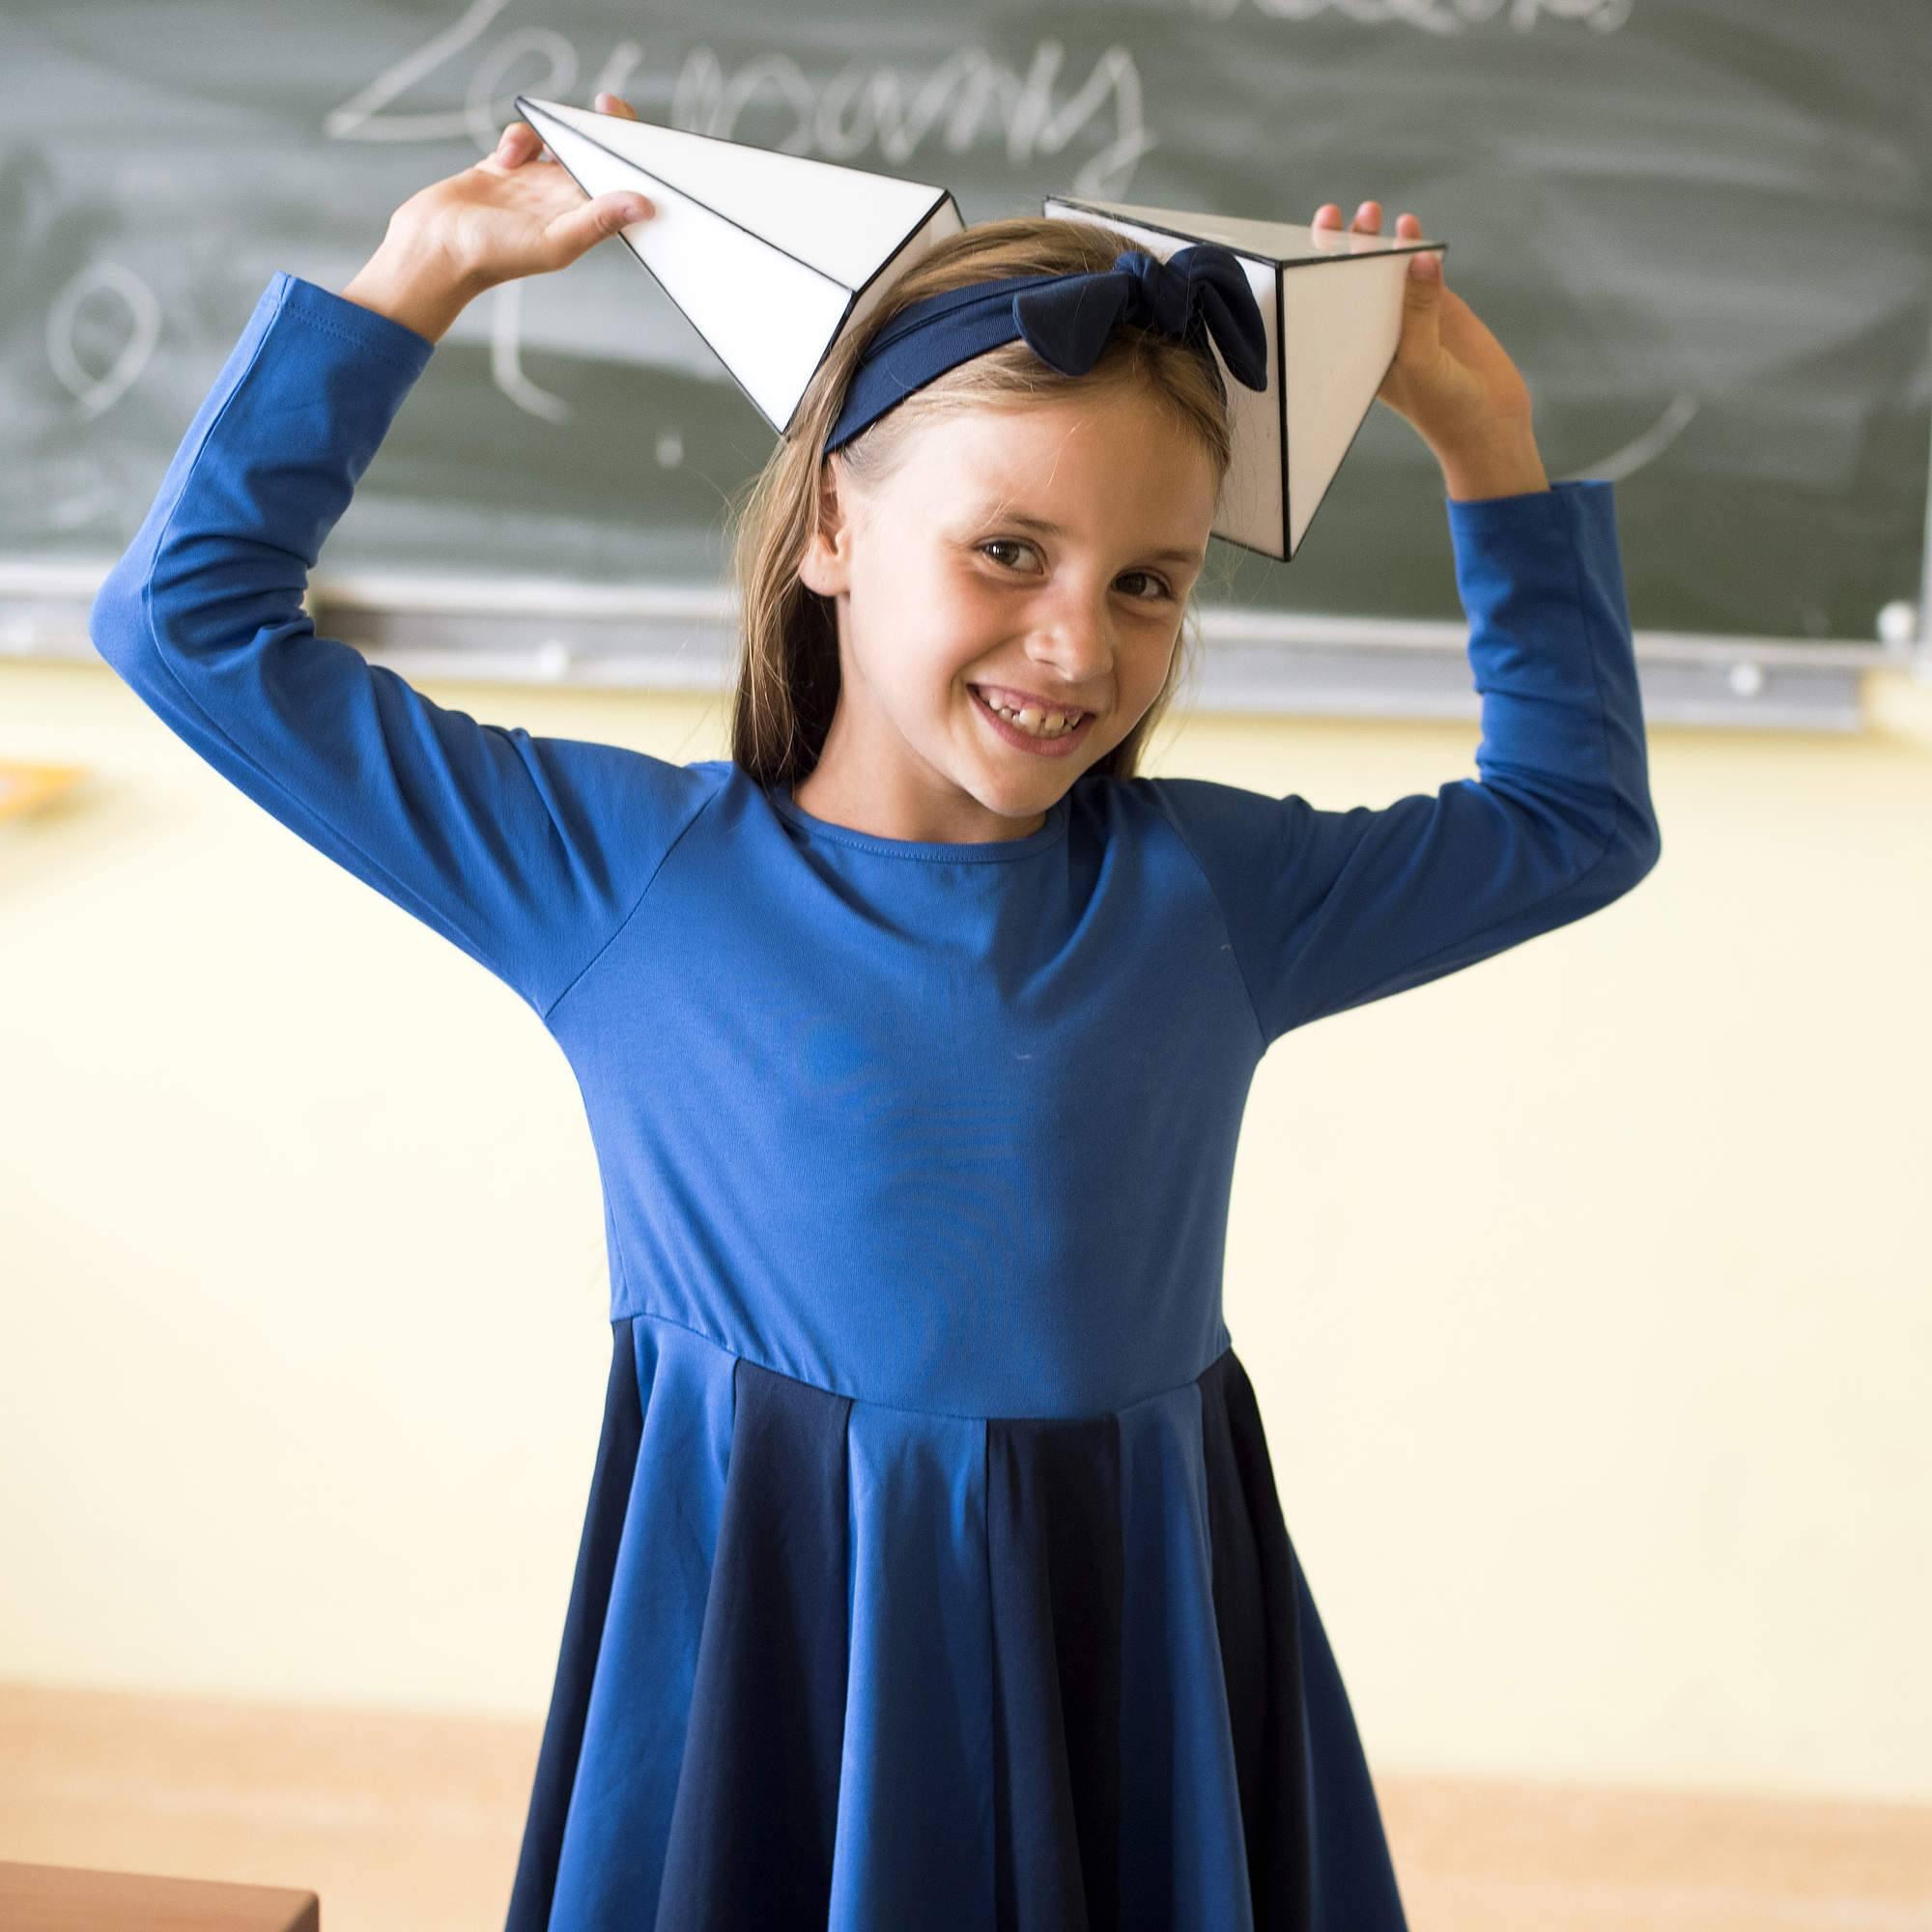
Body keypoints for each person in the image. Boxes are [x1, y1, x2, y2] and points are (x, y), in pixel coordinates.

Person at [89, 88, 1661, 1931]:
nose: (1078, 644)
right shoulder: (616, 878)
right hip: (775, 1627)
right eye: (1008, 552)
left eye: (1147, 583)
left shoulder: (1212, 899)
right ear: (831, 526)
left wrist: (1485, 438)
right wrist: (417, 279)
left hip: (1130, 1616)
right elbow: (186, 625)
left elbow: (1573, 822)